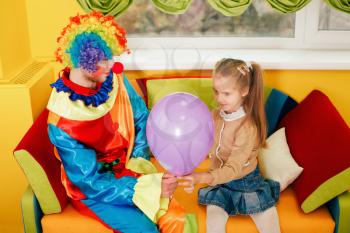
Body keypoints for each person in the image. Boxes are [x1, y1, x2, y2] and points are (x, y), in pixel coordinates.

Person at [47, 11, 196, 233]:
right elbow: (89, 182)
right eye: (105, 59)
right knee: (144, 229)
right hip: (95, 192)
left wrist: (138, 159)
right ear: (84, 61)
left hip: (129, 169)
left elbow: (142, 118)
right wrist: (143, 188)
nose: (113, 65)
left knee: (177, 219)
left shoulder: (114, 80)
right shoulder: (61, 121)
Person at [179, 58, 281, 233]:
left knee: (269, 223)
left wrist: (202, 178)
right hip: (220, 181)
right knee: (213, 222)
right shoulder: (216, 115)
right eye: (216, 91)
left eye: (226, 93)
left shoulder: (247, 127)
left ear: (244, 91)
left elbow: (233, 168)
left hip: (245, 182)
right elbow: (201, 141)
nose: (219, 98)